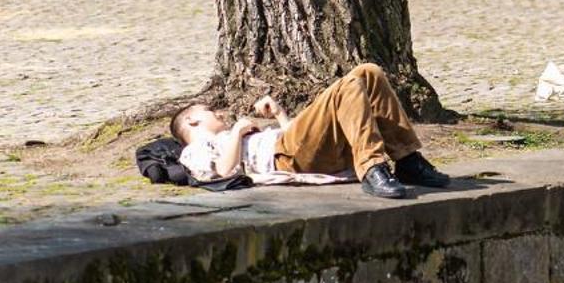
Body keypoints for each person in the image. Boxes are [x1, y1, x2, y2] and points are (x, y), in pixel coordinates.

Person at [169, 63, 448, 199]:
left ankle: (407, 159)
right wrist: (237, 131)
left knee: (369, 72)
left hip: (295, 148)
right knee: (349, 86)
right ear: (192, 121)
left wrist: (279, 115)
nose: (217, 114)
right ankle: (372, 167)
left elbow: (301, 141)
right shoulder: (192, 152)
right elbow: (223, 170)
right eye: (209, 112)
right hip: (286, 157)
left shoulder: (229, 136)